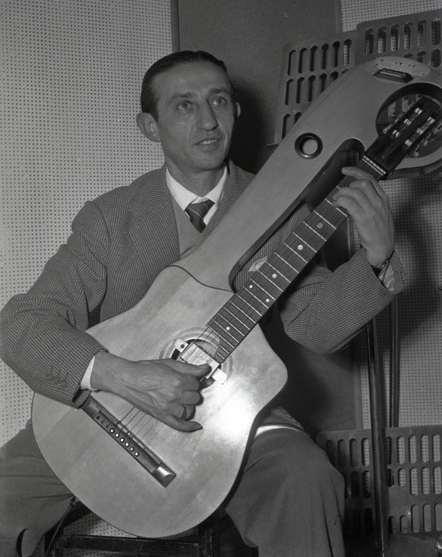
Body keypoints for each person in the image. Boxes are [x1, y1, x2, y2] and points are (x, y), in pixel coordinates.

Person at [0, 50, 405, 557]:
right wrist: (123, 376)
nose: (209, 120)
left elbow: (316, 327)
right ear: (150, 127)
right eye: (184, 105)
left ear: (237, 110)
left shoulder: (282, 210)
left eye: (219, 101)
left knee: (305, 479)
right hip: (104, 411)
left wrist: (376, 257)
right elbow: (22, 323)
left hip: (237, 420)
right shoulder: (111, 218)